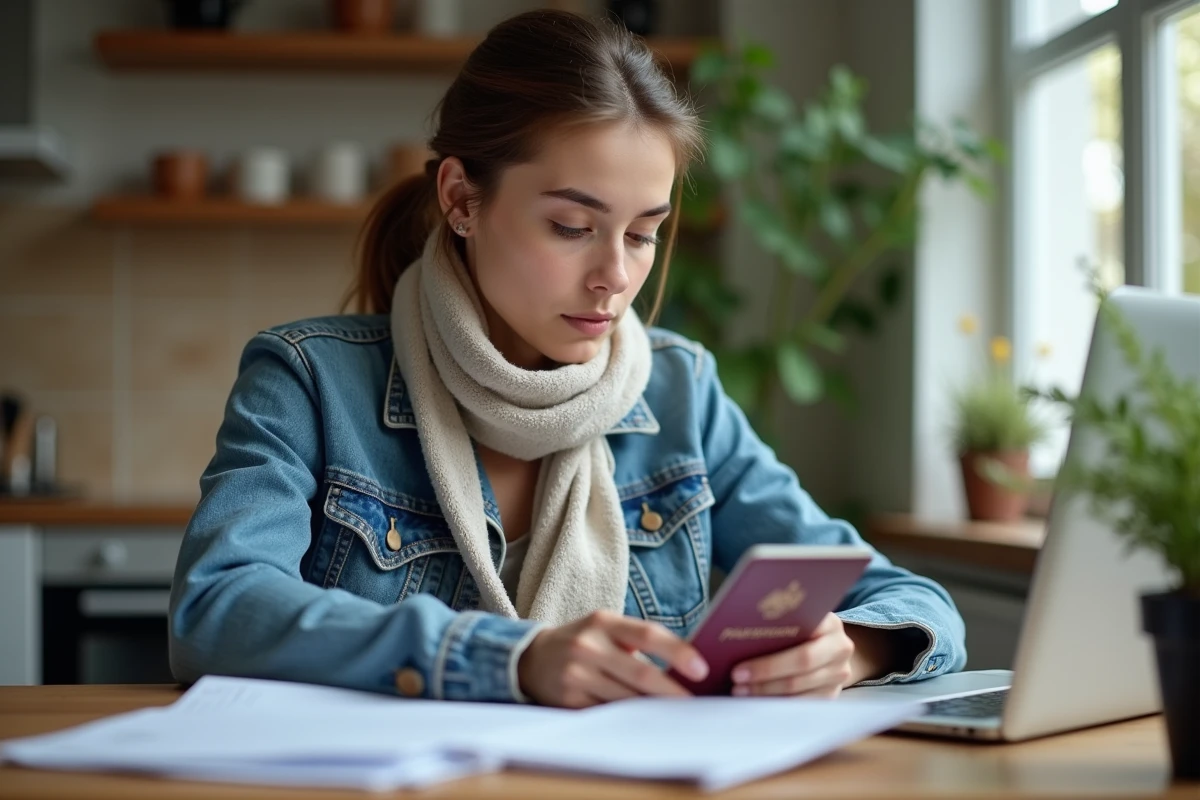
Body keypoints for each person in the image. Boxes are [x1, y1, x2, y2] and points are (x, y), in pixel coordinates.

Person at [168, 9, 966, 709]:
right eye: (572, 227)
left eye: (644, 232)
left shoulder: (682, 391)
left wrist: (856, 649)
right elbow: (217, 607)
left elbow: (912, 601)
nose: (615, 276)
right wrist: (507, 660)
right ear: (461, 200)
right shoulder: (308, 381)